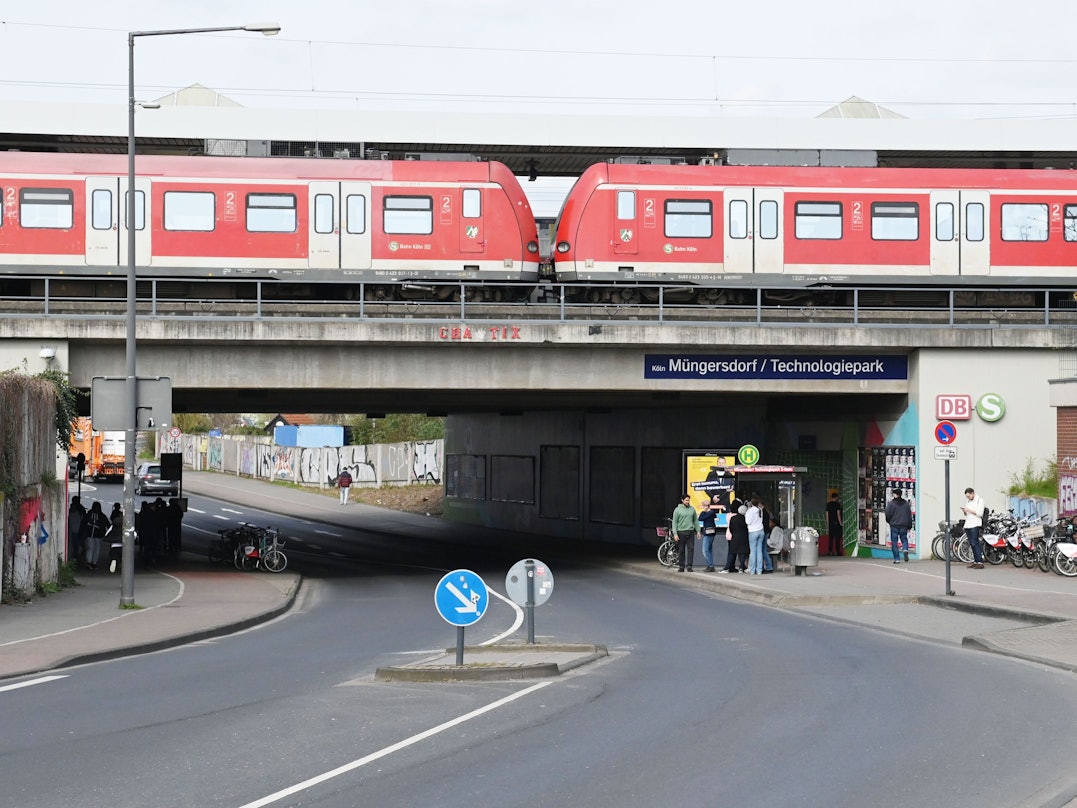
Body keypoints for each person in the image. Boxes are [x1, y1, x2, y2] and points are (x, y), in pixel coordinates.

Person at [671, 494, 699, 572]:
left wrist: (698, 531)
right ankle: (681, 566)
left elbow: (695, 521)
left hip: (690, 531)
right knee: (681, 550)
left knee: (691, 549)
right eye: (686, 500)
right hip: (681, 532)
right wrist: (675, 534)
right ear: (682, 500)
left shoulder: (692, 509)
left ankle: (689, 566)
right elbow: (674, 522)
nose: (687, 502)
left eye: (688, 500)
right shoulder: (677, 510)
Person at [960, 486, 986, 569]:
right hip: (968, 524)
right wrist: (965, 511)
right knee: (971, 543)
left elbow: (980, 513)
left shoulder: (980, 500)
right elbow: (967, 514)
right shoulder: (968, 501)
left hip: (975, 524)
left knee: (975, 542)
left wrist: (969, 510)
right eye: (967, 497)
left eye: (969, 496)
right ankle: (975, 560)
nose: (968, 498)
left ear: (973, 493)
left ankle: (980, 562)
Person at [885, 488, 913, 564]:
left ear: (895, 494)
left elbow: (887, 514)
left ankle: (897, 559)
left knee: (894, 542)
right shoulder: (906, 504)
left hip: (894, 525)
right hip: (903, 525)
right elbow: (909, 516)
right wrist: (909, 526)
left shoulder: (891, 504)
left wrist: (889, 521)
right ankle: (905, 549)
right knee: (904, 539)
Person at [721, 501, 749, 573]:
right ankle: (741, 567)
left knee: (732, 552)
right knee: (742, 553)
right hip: (743, 537)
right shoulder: (745, 519)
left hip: (734, 537)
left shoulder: (732, 518)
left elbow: (731, 528)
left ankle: (728, 567)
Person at [81, 501, 109, 571]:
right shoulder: (101, 515)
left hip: (94, 535)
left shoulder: (89, 514)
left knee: (94, 549)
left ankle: (92, 562)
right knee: (92, 548)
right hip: (93, 535)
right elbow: (107, 524)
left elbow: (83, 523)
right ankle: (91, 562)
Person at [745, 495, 766, 575]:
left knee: (753, 551)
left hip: (753, 531)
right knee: (759, 550)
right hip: (761, 530)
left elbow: (748, 522)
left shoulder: (750, 511)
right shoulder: (760, 509)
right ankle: (759, 570)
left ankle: (752, 569)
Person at [699, 497, 718, 572]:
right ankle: (709, 565)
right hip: (710, 532)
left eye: (704, 506)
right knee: (709, 550)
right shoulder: (712, 513)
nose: (703, 507)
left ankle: (710, 565)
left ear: (707, 506)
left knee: (705, 550)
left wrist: (704, 511)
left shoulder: (710, 513)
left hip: (708, 532)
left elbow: (700, 518)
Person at [68, 496, 86, 565]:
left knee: (77, 544)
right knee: (75, 544)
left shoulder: (78, 510)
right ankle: (77, 556)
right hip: (75, 530)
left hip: (77, 530)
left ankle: (77, 556)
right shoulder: (80, 510)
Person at [826, 492, 844, 556]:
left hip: (831, 524)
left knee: (830, 538)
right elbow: (838, 514)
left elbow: (827, 515)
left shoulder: (828, 504)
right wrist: (840, 523)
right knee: (837, 538)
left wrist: (828, 524)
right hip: (836, 523)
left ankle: (830, 551)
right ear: (836, 497)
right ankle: (837, 551)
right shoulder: (837, 504)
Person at [107, 503, 123, 573]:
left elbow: (107, 533)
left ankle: (114, 561)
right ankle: (121, 565)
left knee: (114, 555)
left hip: (114, 545)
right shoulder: (126, 527)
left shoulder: (112, 527)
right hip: (123, 545)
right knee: (123, 556)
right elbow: (134, 534)